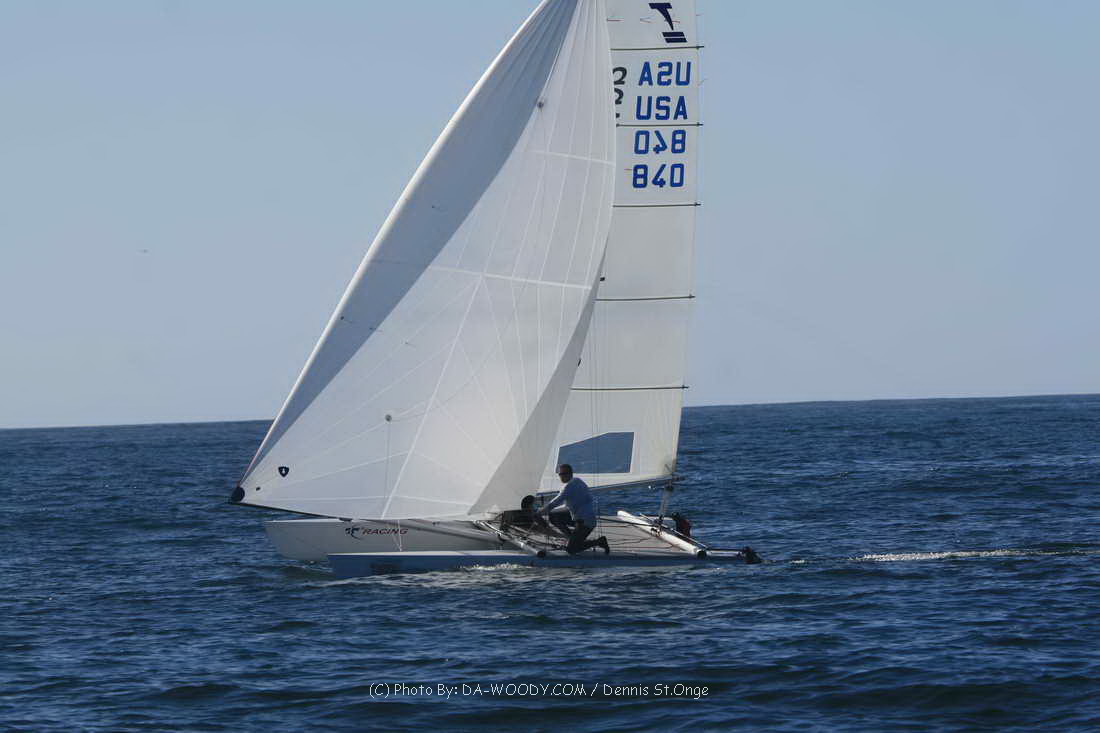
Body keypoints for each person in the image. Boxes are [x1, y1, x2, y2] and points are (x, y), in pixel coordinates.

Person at [538, 464, 610, 555]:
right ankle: (571, 538)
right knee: (553, 515)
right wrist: (547, 511)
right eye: (560, 474)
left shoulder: (570, 486)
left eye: (564, 474)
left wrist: (541, 512)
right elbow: (566, 506)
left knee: (571, 550)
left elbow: (556, 501)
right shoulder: (577, 481)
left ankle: (599, 541)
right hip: (578, 519)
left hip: (585, 522)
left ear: (570, 474)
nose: (561, 476)